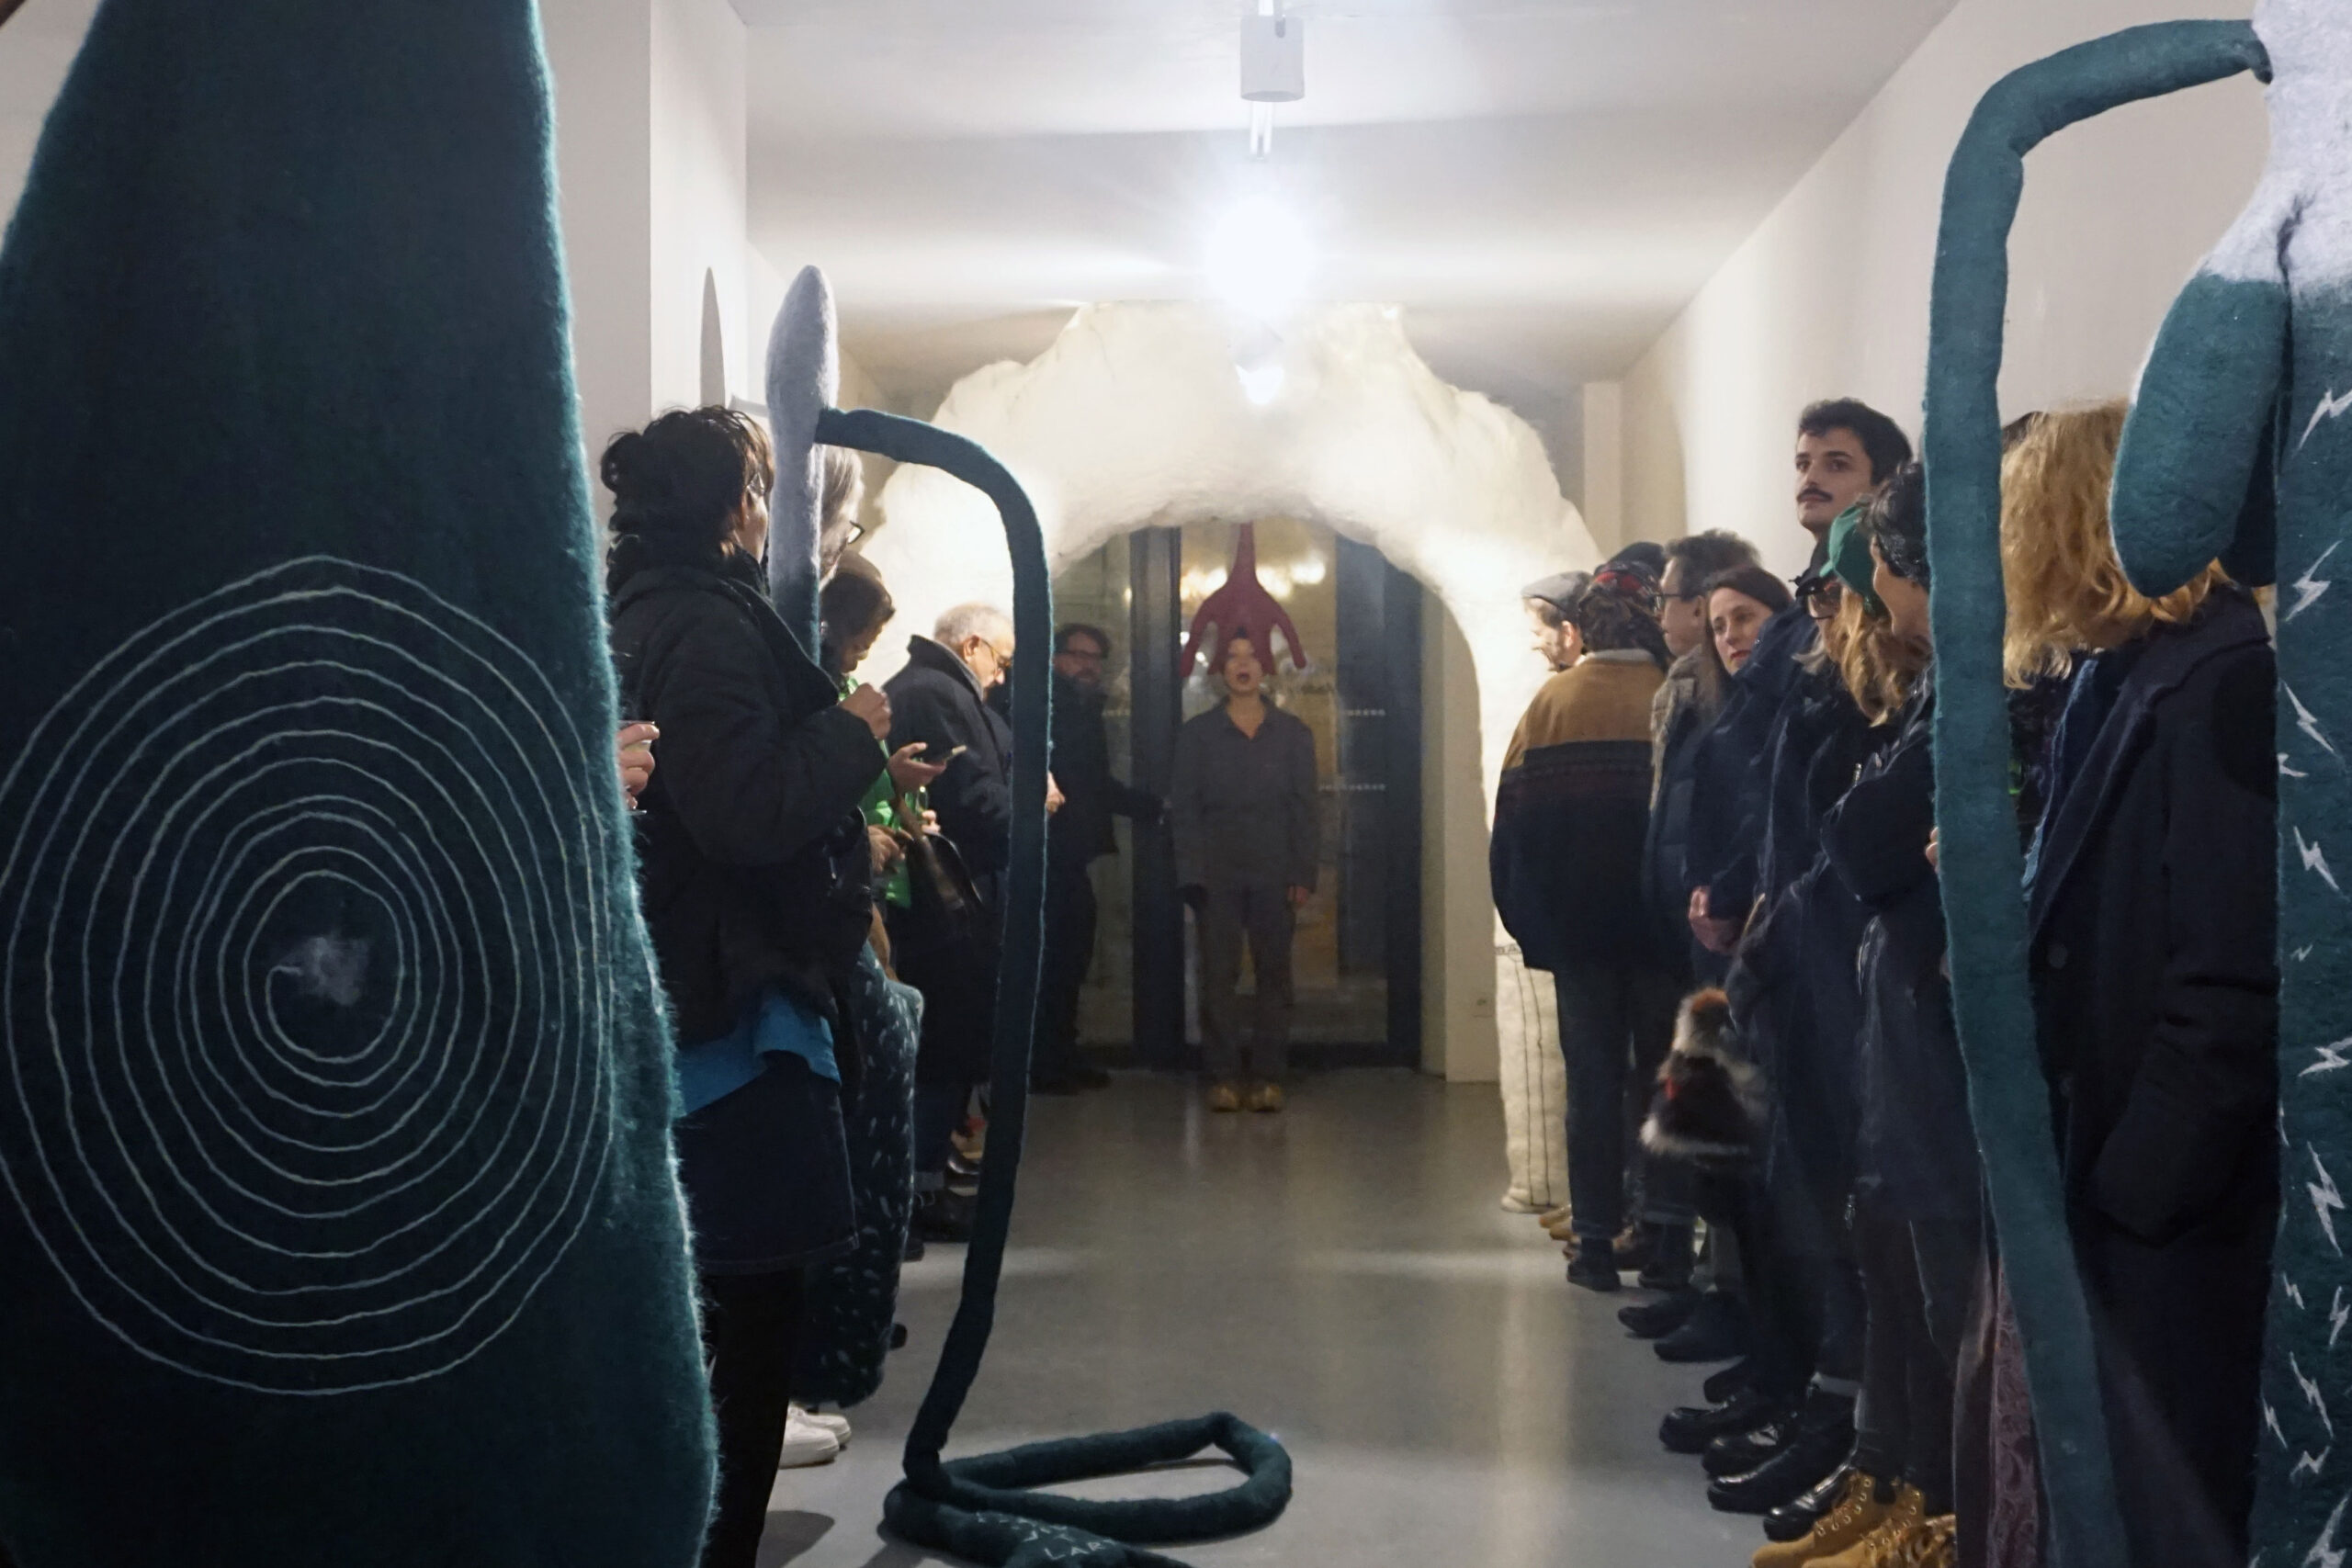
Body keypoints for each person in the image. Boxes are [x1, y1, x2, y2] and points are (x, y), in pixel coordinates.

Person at [604, 407, 888, 1568]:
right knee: (751, 1308)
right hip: (731, 1012)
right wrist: (853, 735)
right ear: (732, 508)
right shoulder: (707, 628)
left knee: (709, 1307)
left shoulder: (635, 611)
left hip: (689, 994)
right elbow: (745, 810)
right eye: (761, 488)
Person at [1995, 402, 2277, 1568]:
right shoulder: (2120, 677)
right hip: (2110, 1157)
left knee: (2174, 1489)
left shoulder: (2217, 681)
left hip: (2173, 1198)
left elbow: (2232, 971)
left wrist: (2135, 1187)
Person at [1665, 400, 1911, 1516]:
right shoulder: (1813, 609)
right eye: (1803, 460)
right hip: (1786, 933)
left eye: (1836, 463)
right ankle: (1794, 1387)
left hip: (1842, 941)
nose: (1809, 477)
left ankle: (1843, 1424)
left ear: (1886, 483)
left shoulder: (1873, 622)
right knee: (1783, 1184)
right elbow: (1765, 776)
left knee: (1840, 1204)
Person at [1490, 568, 1675, 1292]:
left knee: (1591, 1084)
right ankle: (1661, 1239)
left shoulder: (1552, 703)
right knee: (1663, 1081)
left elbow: (1510, 831)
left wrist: (1532, 927)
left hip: (1578, 936)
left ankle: (1595, 1240)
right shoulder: (1673, 694)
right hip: (1663, 932)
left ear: (1584, 629)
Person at [884, 602, 1041, 1244]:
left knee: (952, 1045)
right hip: (942, 907)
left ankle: (929, 1175)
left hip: (949, 900)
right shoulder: (936, 694)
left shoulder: (935, 689)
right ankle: (920, 1188)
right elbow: (971, 794)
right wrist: (1030, 812)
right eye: (1000, 661)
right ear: (972, 645)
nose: (1001, 677)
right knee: (943, 1048)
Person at [1171, 631, 1319, 1113]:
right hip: (1216, 872)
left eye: (1251, 656)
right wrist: (1190, 872)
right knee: (1218, 976)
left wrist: (1303, 872)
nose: (1242, 665)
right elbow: (1185, 811)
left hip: (1276, 870)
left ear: (1265, 667)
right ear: (1219, 669)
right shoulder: (1197, 735)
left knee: (1275, 975)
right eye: (1232, 657)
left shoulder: (1293, 733)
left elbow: (1306, 809)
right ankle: (1223, 1075)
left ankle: (1268, 1075)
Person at [1034, 624, 1162, 1094]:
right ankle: (1047, 1063)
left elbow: (1095, 784)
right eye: (1078, 655)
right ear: (1055, 658)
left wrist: (1150, 808)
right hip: (1048, 853)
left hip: (1067, 853)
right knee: (1057, 961)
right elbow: (1084, 783)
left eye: (1095, 658)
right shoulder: (1051, 708)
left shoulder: (1081, 708)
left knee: (1069, 959)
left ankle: (1060, 1055)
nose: (1088, 666)